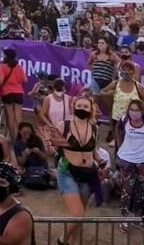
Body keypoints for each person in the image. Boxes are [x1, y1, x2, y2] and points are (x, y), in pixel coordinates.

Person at [52, 95, 103, 245]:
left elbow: (93, 151)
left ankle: (74, 242)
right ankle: (62, 240)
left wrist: (101, 160)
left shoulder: (95, 127)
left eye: (85, 106)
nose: (82, 109)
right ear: (74, 107)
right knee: (78, 213)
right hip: (67, 172)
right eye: (79, 106)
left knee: (80, 214)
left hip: (88, 174)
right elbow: (52, 148)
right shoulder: (64, 125)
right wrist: (52, 143)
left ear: (91, 109)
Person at [114, 99, 144, 229]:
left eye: (137, 110)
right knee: (126, 191)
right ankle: (124, 218)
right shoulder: (124, 120)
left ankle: (138, 217)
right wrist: (120, 144)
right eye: (131, 109)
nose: (134, 112)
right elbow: (117, 130)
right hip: (127, 160)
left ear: (142, 110)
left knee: (142, 191)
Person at [0, 48, 27, 140]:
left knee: (10, 117)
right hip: (19, 93)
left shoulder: (3, 66)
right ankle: (21, 138)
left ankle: (13, 138)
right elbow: (25, 80)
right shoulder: (19, 67)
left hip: (7, 93)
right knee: (18, 117)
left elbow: (0, 82)